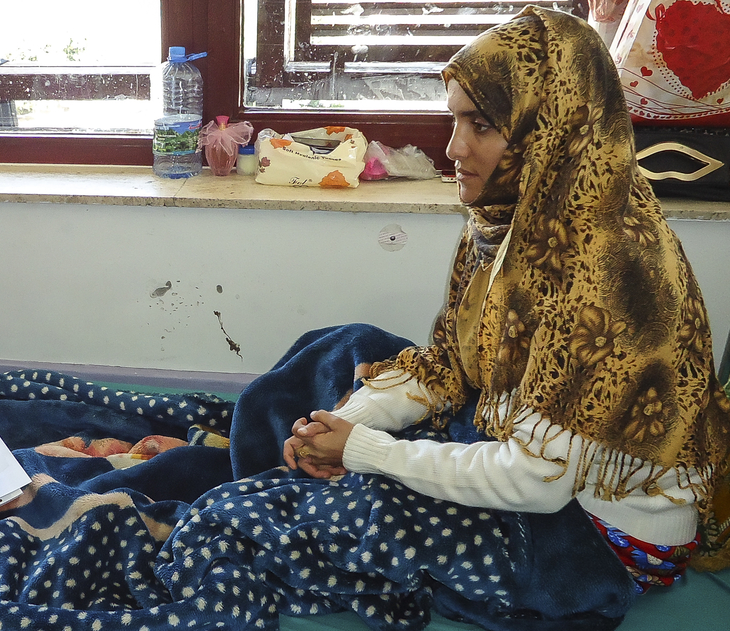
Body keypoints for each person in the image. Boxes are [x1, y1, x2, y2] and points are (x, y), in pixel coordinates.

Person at [283, 8, 729, 591]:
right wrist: (339, 425)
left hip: (609, 537)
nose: (453, 149)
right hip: (546, 466)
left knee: (312, 525)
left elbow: (536, 483)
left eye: (482, 125)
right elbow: (451, 364)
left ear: (545, 129)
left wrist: (368, 451)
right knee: (348, 349)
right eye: (455, 120)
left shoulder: (610, 272)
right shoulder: (514, 220)